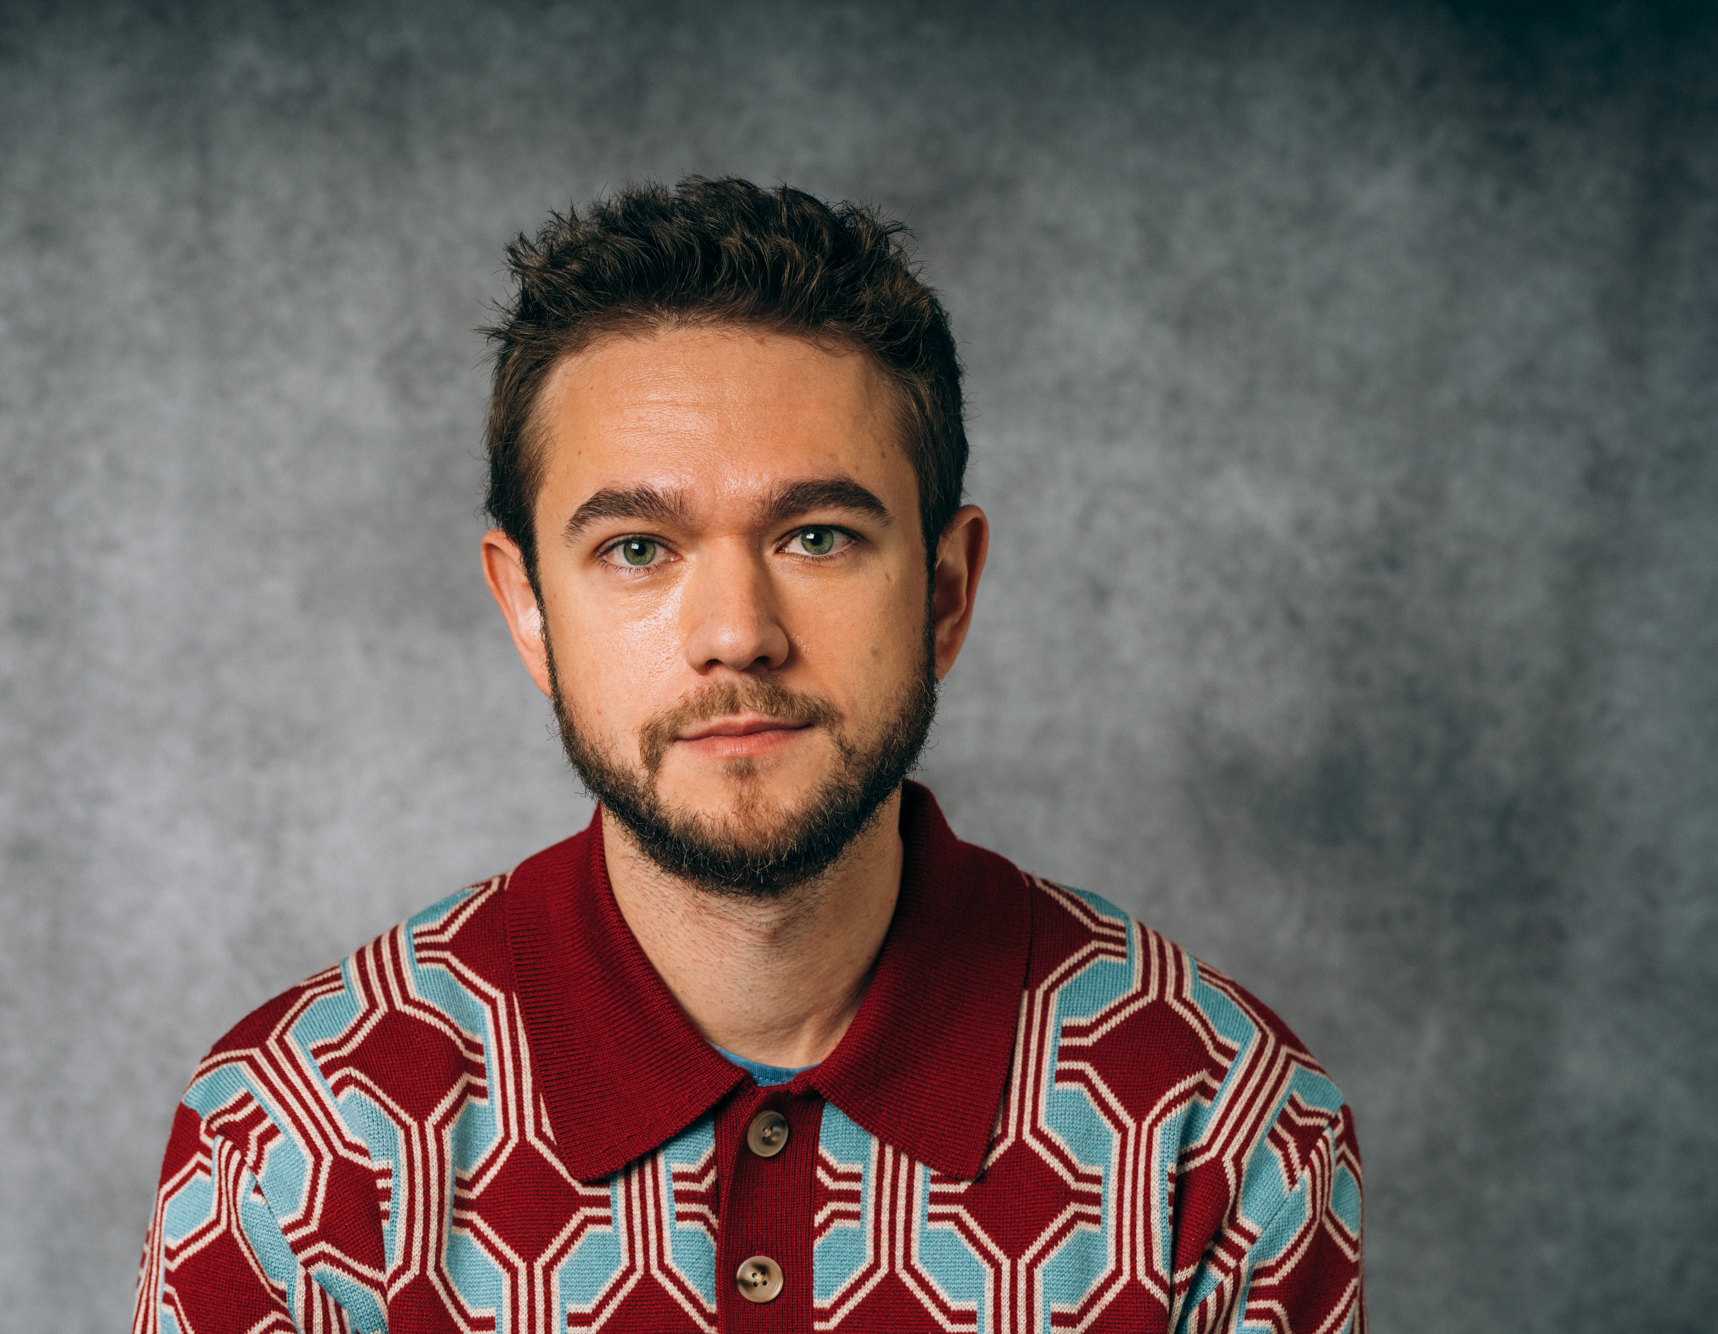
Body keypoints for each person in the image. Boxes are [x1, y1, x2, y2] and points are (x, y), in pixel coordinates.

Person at [133, 178, 1364, 1334]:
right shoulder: (297, 1140)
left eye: (816, 536)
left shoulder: (1220, 1127)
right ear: (528, 609)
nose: (736, 633)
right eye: (635, 548)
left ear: (943, 590)